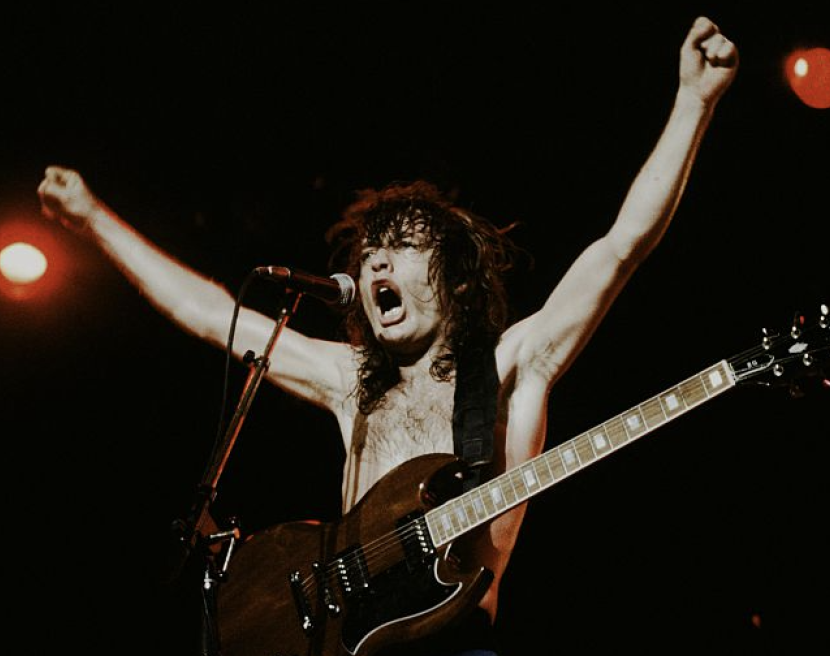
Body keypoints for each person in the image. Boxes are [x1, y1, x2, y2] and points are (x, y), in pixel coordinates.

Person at [38, 15, 737, 656]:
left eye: (400, 248)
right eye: (369, 252)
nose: (376, 263)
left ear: (454, 281)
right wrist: (93, 219)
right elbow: (210, 313)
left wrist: (693, 101)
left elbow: (620, 247)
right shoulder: (351, 381)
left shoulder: (511, 364)